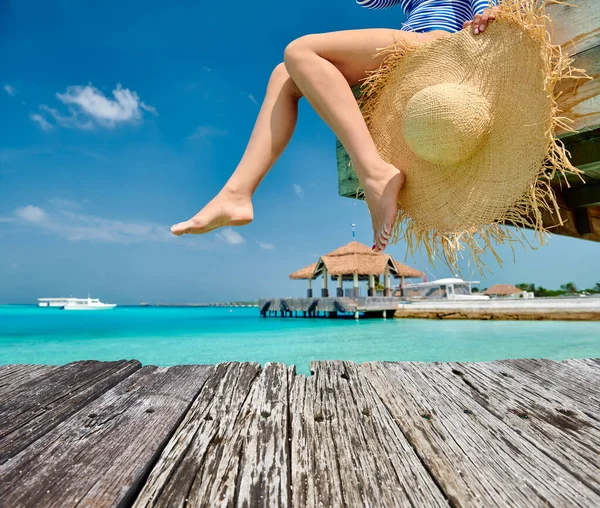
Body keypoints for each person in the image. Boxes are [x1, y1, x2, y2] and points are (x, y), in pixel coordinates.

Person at [171, 0, 498, 252]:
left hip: (437, 45)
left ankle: (373, 171)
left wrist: (487, 10)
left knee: (299, 50)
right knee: (284, 74)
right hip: (408, 50)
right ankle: (237, 193)